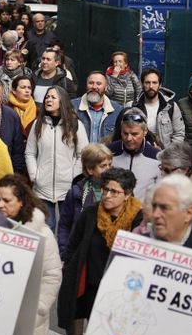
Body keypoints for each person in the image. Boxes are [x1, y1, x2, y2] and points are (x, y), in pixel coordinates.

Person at [57, 168, 142, 335]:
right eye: (105, 190)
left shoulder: (138, 219)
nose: (107, 195)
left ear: (128, 194)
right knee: (76, 312)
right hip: (87, 275)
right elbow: (74, 242)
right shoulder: (90, 213)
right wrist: (69, 266)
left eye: (114, 192)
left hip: (118, 283)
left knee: (109, 325)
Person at [0, 174, 62, 335]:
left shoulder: (43, 234)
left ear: (21, 202)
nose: (0, 204)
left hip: (24, 317)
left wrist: (39, 307)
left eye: (6, 200)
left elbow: (52, 275)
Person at [25, 86, 89, 231]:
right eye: (47, 97)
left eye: (53, 97)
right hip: (42, 188)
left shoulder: (75, 125)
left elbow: (83, 154)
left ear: (62, 101)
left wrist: (73, 177)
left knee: (65, 230)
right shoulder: (38, 124)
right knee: (46, 228)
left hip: (67, 188)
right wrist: (35, 175)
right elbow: (29, 153)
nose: (49, 100)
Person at [57, 143, 114, 256]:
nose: (108, 170)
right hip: (80, 252)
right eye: (103, 166)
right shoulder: (76, 192)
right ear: (90, 169)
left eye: (110, 165)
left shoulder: (119, 191)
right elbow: (65, 225)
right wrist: (65, 251)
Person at [109, 108, 160, 200]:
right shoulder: (108, 152)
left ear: (145, 132)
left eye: (134, 134)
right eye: (125, 133)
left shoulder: (157, 157)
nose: (128, 138)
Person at [131, 68, 184, 148]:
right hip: (140, 154)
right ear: (142, 84)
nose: (151, 86)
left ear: (160, 85)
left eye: (154, 82)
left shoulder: (171, 107)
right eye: (147, 83)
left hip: (164, 156)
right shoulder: (132, 107)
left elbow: (179, 134)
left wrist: (167, 154)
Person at [72, 72, 118, 144]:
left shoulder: (117, 110)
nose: (94, 87)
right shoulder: (72, 106)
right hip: (80, 154)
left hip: (106, 154)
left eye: (98, 84)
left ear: (106, 87)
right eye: (91, 83)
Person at [8, 74, 37, 139]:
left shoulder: (38, 112)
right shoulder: (6, 109)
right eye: (23, 87)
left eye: (29, 88)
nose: (27, 91)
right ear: (14, 91)